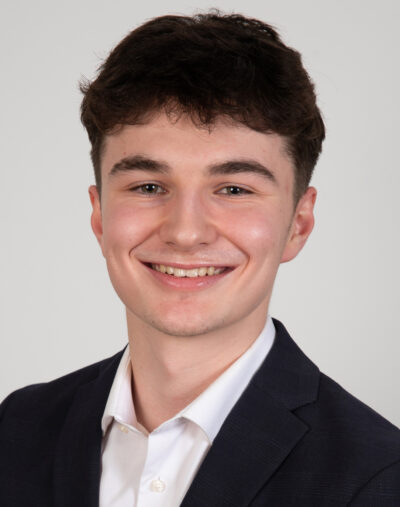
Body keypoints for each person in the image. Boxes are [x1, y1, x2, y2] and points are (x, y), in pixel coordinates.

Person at [1, 10, 399, 507]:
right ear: (100, 216)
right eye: (148, 187)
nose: (185, 233)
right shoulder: (17, 429)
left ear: (298, 223)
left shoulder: (378, 478)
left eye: (233, 189)